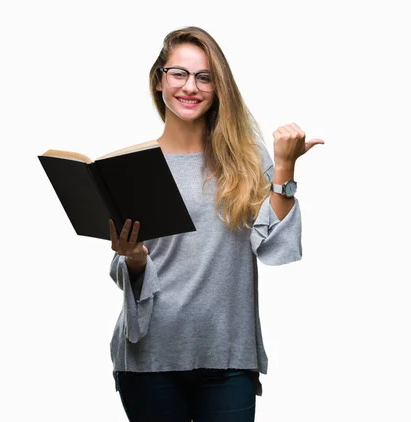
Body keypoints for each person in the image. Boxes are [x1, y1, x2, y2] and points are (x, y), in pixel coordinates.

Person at [107, 26, 323, 421]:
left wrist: (285, 168)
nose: (191, 86)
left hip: (228, 354)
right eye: (179, 74)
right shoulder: (133, 166)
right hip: (150, 358)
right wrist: (135, 258)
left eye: (204, 77)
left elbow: (274, 247)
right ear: (159, 81)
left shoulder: (244, 160)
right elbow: (128, 271)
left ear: (219, 87)